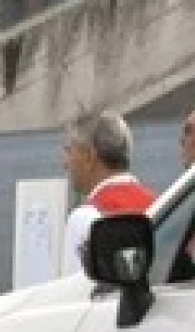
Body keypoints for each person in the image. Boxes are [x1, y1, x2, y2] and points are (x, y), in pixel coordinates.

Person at [61, 110, 156, 271]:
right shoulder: (161, 205)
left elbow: (76, 293)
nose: (64, 163)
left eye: (68, 151)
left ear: (89, 156)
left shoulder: (85, 219)